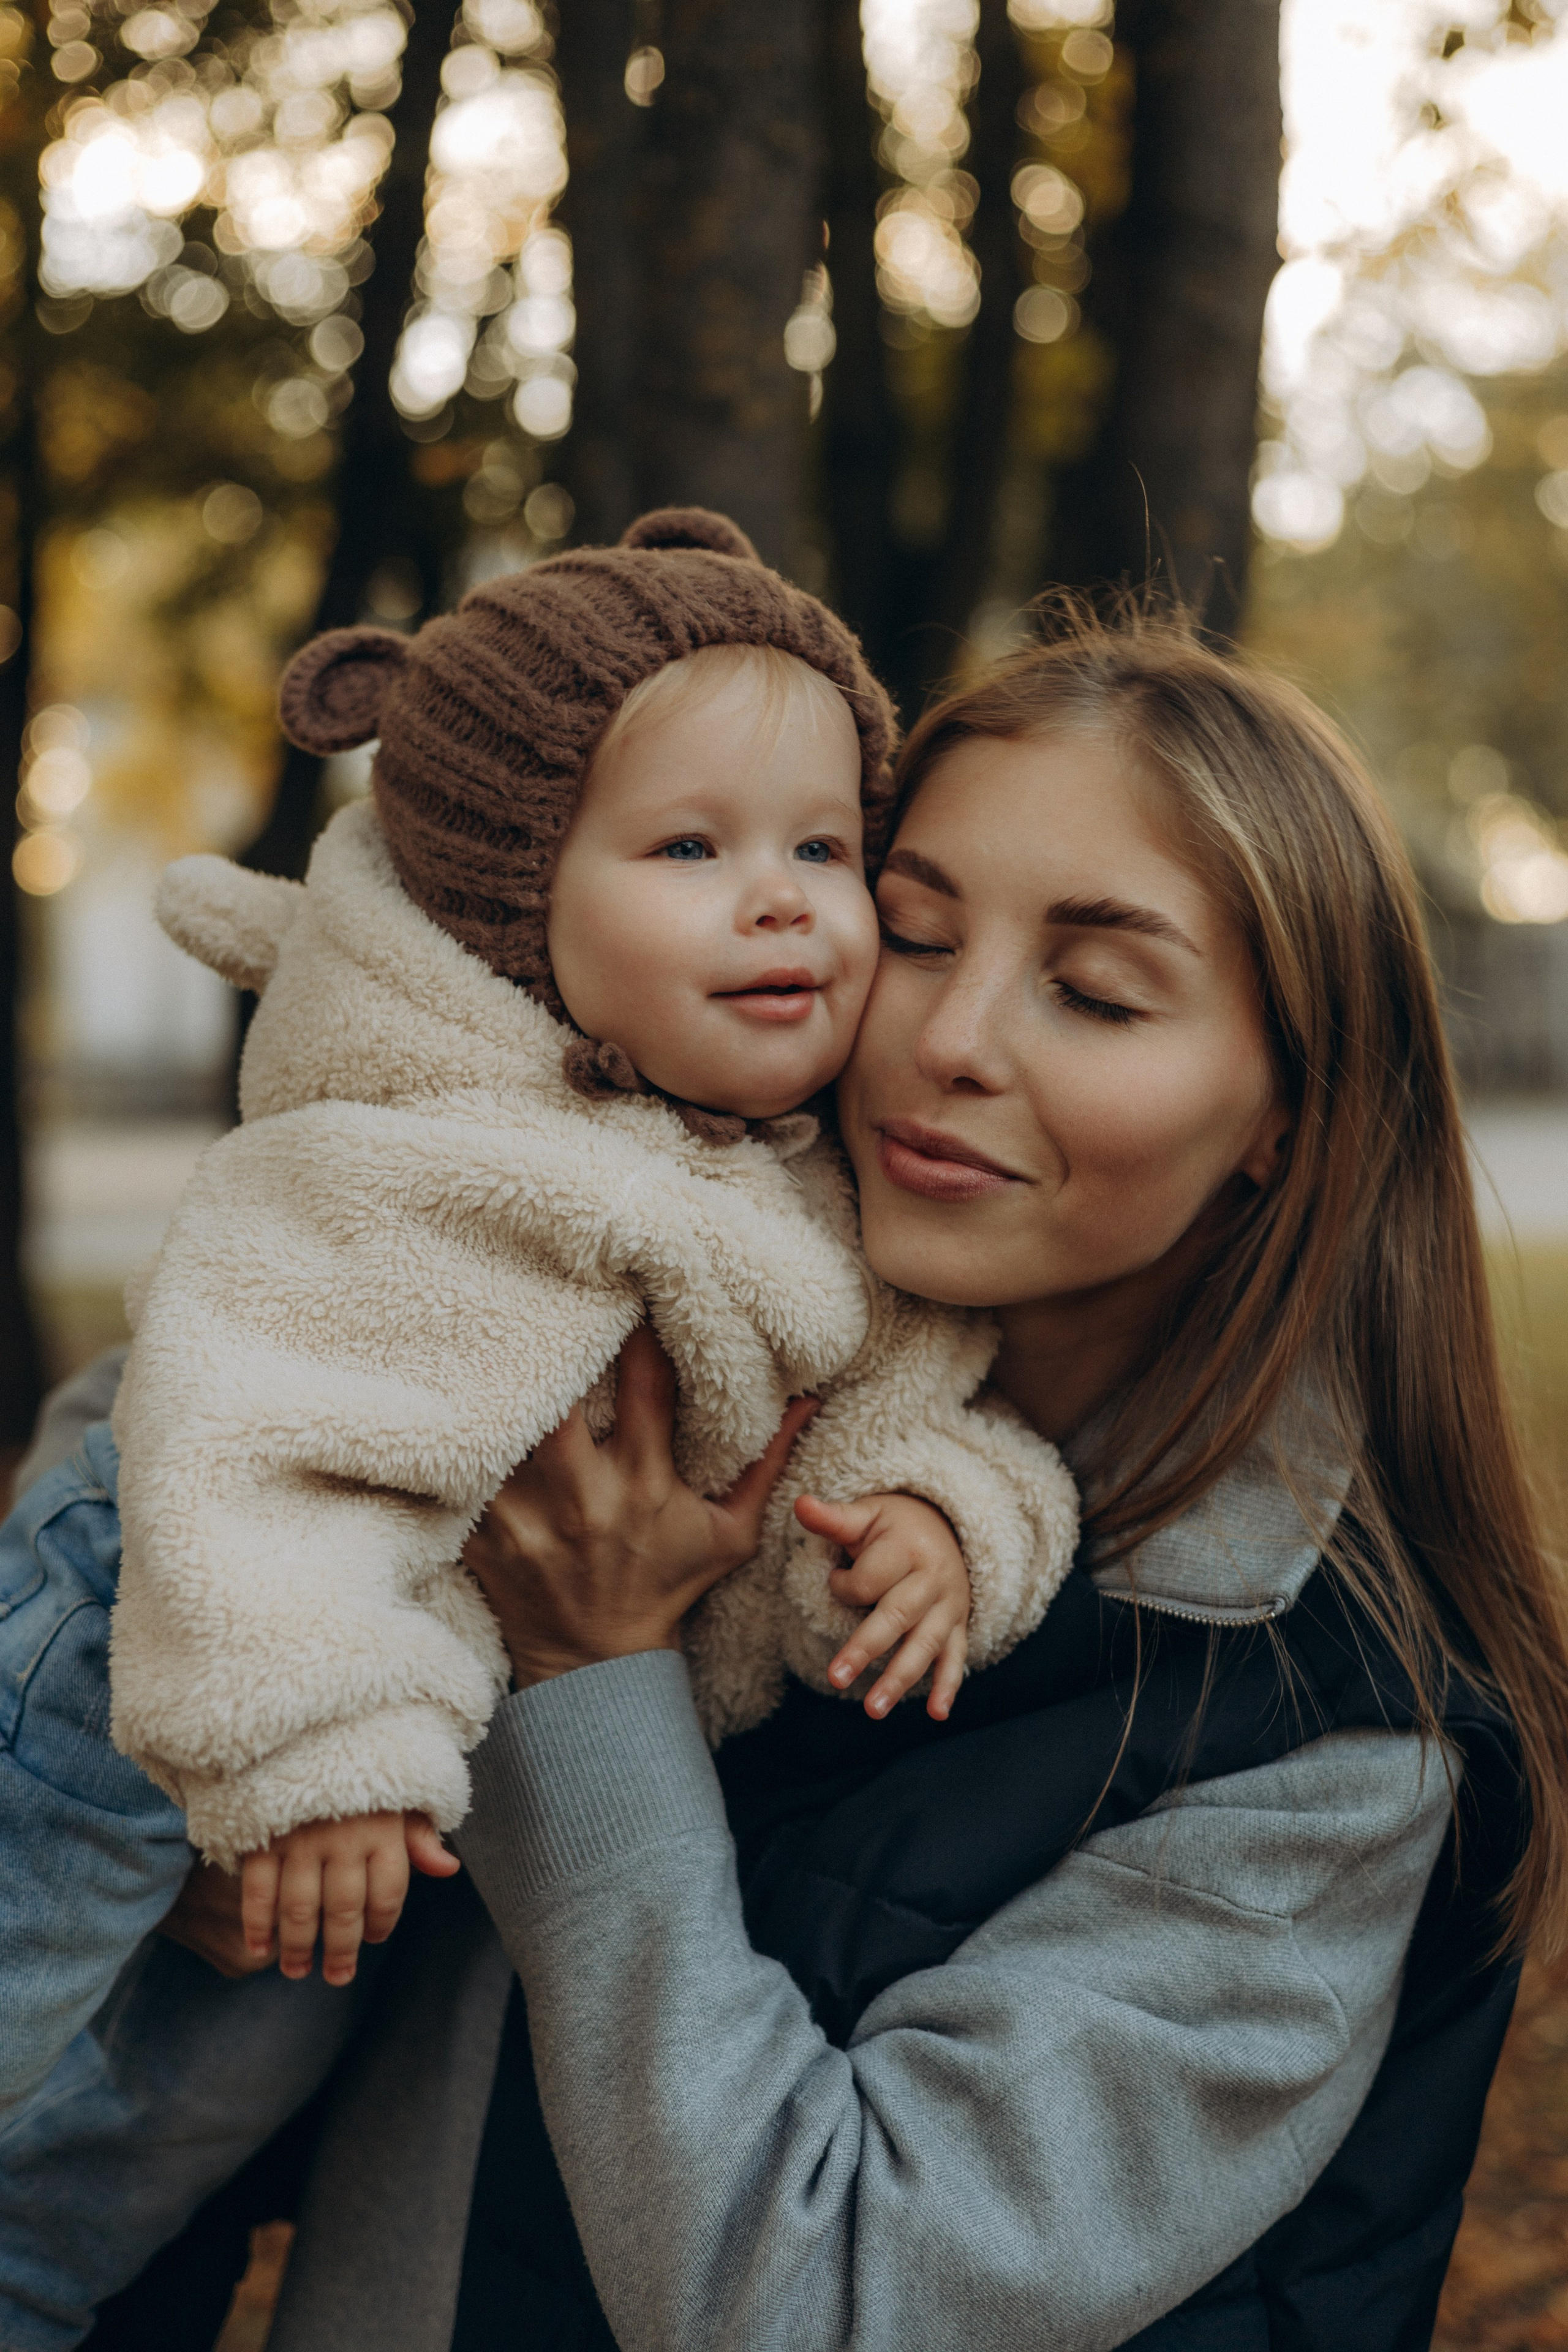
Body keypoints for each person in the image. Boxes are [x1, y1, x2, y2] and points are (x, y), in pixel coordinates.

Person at [12, 600, 1566, 2350]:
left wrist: (586, 1683)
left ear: (1292, 1108)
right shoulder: (667, 1314)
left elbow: (835, 2294)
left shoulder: (1330, 1741)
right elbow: (197, 1437)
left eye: (1099, 991)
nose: (951, 1040)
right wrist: (245, 1812)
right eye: (909, 932)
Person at [0, 513, 1076, 2347]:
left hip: (398, 1736)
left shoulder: (812, 1183)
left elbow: (907, 1396)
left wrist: (950, 1522)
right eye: (689, 848)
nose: (780, 897)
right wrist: (322, 1739)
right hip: (187, 1641)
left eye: (827, 849)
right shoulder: (427, 1152)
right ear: (519, 900)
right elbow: (252, 1414)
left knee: (156, 2147)